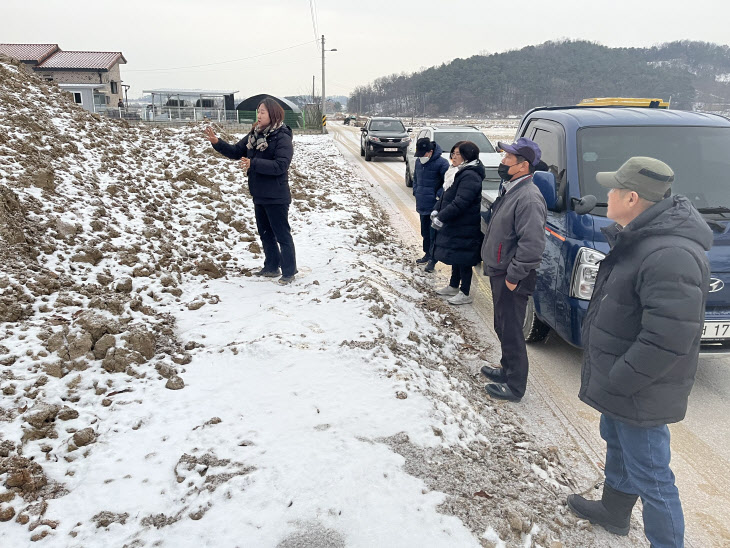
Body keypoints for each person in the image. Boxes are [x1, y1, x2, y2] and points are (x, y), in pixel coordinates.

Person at [567, 157, 711, 547]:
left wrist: (623, 379)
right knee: (617, 443)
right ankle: (614, 511)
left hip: (639, 387)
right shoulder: (641, 239)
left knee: (652, 475)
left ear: (632, 197)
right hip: (624, 383)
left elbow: (669, 337)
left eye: (613, 188)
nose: (606, 195)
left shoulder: (669, 253)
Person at [480, 137, 546, 402]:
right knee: (503, 325)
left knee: (512, 330)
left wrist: (514, 276)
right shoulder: (512, 188)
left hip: (512, 275)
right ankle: (506, 370)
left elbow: (532, 245)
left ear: (523, 165)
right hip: (502, 270)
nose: (502, 161)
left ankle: (515, 386)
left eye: (508, 158)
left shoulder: (529, 197)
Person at [204, 97, 297, 285]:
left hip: (276, 195)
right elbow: (236, 151)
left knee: (282, 234)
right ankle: (271, 266)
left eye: (262, 112)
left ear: (273, 114)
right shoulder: (254, 134)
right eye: (258, 111)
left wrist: (253, 163)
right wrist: (217, 142)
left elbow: (281, 165)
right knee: (265, 233)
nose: (259, 115)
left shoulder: (282, 137)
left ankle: (289, 271)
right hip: (259, 193)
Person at [430, 141, 484, 305]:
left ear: (468, 156)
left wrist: (442, 217)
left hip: (465, 224)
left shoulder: (470, 175)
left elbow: (461, 202)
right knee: (456, 254)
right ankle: (454, 285)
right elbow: (446, 196)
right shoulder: (455, 172)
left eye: (458, 154)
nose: (453, 157)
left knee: (464, 258)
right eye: (452, 153)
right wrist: (436, 209)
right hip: (455, 223)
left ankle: (465, 292)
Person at [413, 138, 449, 270]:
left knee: (434, 234)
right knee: (425, 232)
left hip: (434, 206)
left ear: (430, 152)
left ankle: (433, 260)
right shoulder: (418, 162)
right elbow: (415, 179)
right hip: (422, 203)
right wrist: (416, 191)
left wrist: (438, 195)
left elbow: (447, 183)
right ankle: (427, 254)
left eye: (424, 154)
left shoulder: (442, 164)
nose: (421, 157)